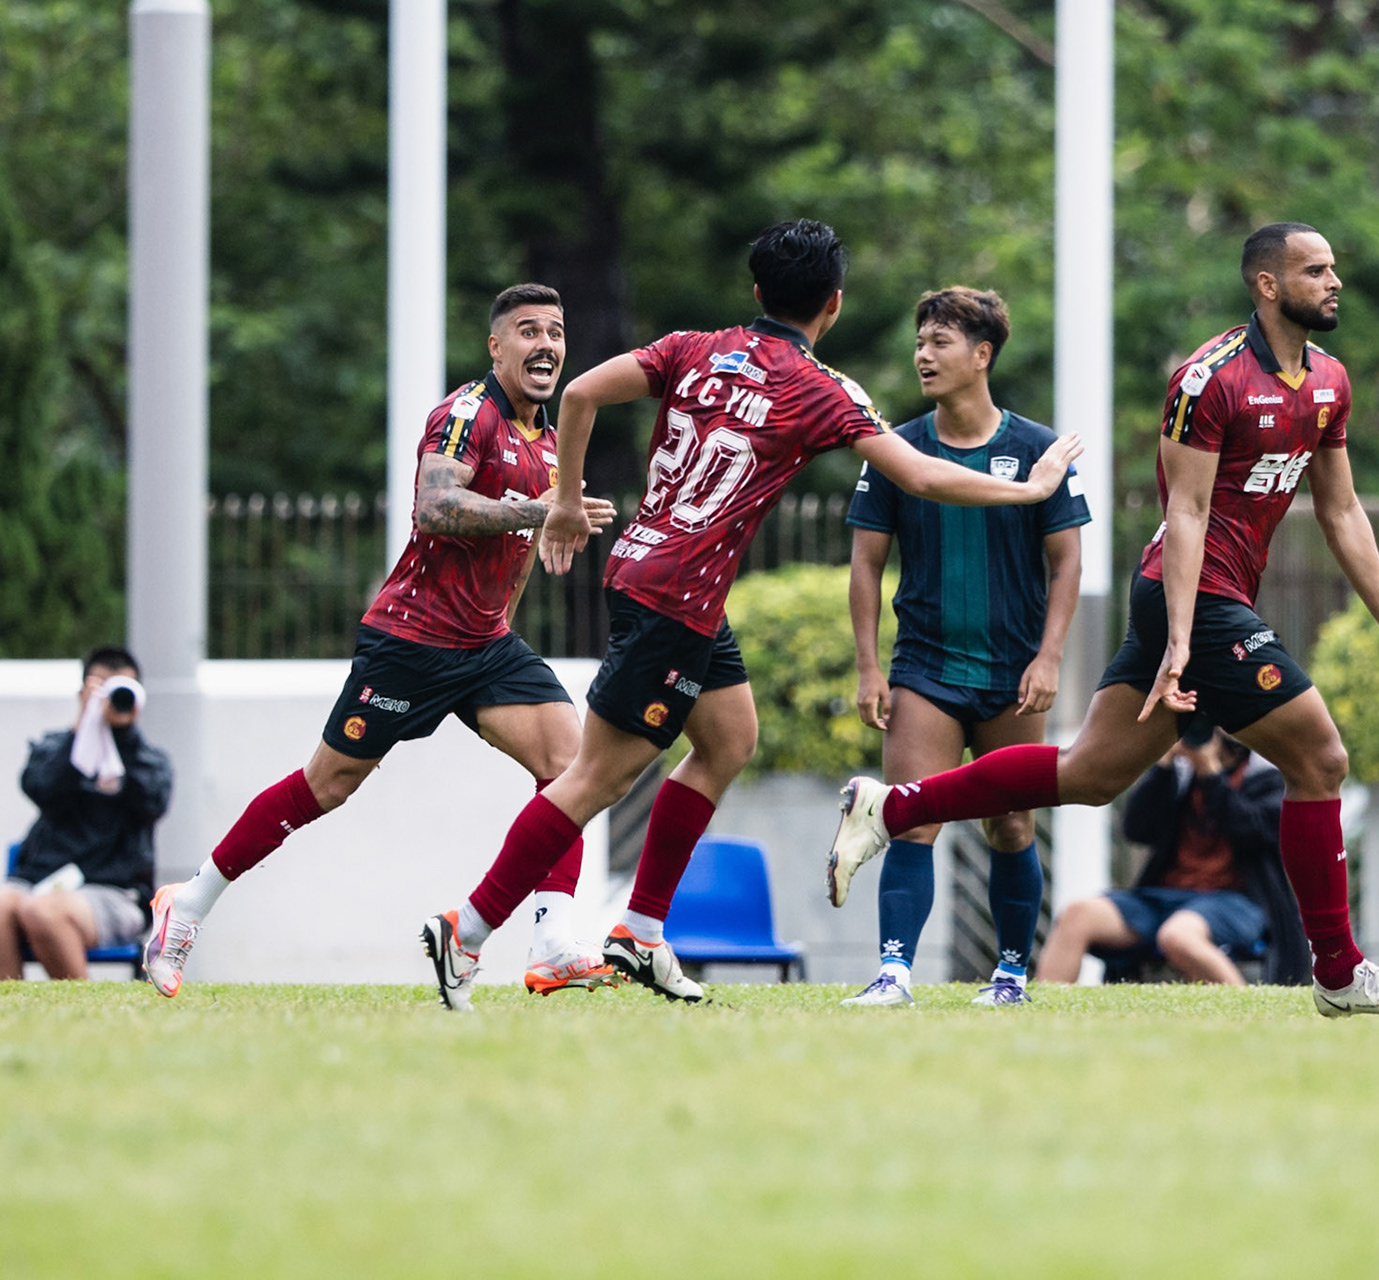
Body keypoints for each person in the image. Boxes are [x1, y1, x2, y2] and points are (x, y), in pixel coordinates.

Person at [421, 220, 1082, 1012]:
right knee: (594, 777)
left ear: (758, 291)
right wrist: (1030, 490)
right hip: (673, 599)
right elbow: (926, 478)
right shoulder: (823, 389)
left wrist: (565, 499)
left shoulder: (693, 347)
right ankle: (468, 928)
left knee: (730, 739)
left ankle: (640, 930)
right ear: (832, 305)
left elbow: (582, 391)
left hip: (662, 580)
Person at [829, 220, 1379, 1018]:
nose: (1334, 282)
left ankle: (894, 806)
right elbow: (1186, 512)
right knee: (1322, 759)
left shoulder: (1330, 380)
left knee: (1088, 775)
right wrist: (1186, 640)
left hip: (1203, 604)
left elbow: (1340, 510)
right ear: (1267, 285)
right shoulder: (1209, 378)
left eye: (1334, 268)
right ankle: (1339, 973)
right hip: (1189, 598)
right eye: (1315, 270)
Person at [143, 284, 624, 999]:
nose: (546, 345)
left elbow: (518, 554)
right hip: (412, 641)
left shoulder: (550, 446)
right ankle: (187, 904)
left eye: (555, 332)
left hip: (486, 647)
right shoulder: (467, 414)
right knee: (327, 786)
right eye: (528, 331)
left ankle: (553, 936)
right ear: (497, 347)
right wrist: (541, 508)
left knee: (571, 765)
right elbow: (435, 508)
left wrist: (516, 594)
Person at [836, 286, 1090, 1009]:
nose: (923, 354)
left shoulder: (1037, 448)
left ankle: (1011, 976)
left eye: (940, 342)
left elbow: (1067, 563)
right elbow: (865, 562)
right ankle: (893, 976)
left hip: (1014, 671)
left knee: (1012, 823)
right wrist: (868, 664)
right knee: (912, 813)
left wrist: (1050, 658)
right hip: (925, 666)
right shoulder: (898, 448)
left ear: (982, 355)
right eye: (920, 341)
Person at [1037, 721, 1311, 986]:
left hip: (1235, 901)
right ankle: (1041, 1021)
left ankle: (1254, 1016)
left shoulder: (1270, 779)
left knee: (1178, 936)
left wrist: (1210, 772)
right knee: (1077, 915)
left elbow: (1252, 832)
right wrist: (1164, 765)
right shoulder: (1180, 776)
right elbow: (1136, 830)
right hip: (1162, 897)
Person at [3, 647, 172, 980]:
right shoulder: (55, 748)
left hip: (114, 890)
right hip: (38, 881)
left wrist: (122, 738)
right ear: (84, 693)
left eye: (123, 689)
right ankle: (11, 1017)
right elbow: (40, 789)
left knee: (43, 912)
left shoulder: (148, 759)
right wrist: (84, 729)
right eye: (103, 689)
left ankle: (79, 1017)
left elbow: (152, 803)